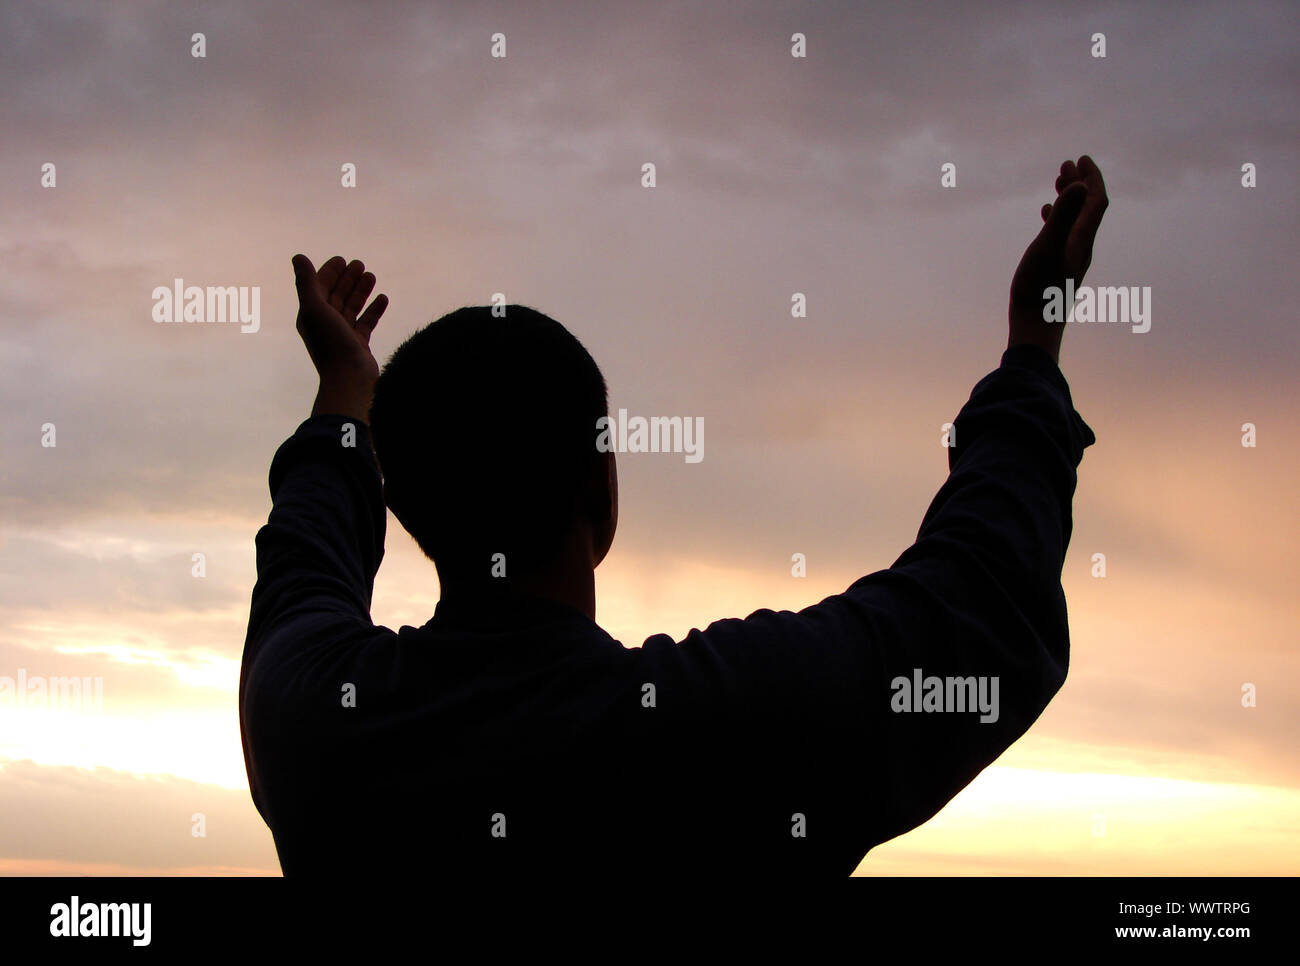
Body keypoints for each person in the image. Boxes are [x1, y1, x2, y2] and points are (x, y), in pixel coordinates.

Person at [240, 157, 1107, 878]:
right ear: (603, 495)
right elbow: (983, 601)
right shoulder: (716, 738)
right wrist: (1036, 338)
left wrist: (344, 395)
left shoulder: (315, 722)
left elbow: (304, 562)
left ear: (403, 508)